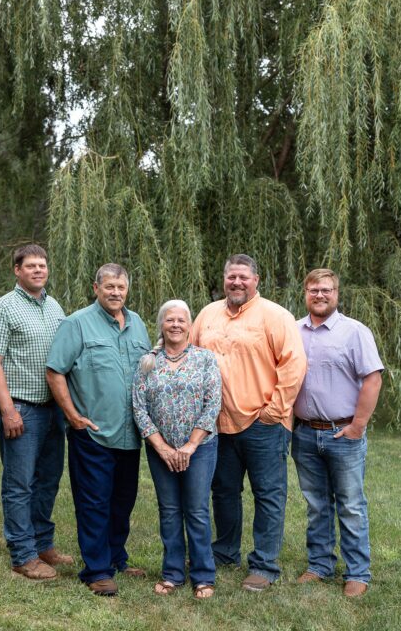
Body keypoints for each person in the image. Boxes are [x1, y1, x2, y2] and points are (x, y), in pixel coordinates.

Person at [190, 254, 307, 591]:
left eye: (243, 277)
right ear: (223, 279)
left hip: (263, 422)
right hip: (217, 423)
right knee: (224, 491)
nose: (237, 283)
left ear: (256, 280)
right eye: (231, 277)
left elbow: (294, 364)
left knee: (268, 493)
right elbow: (189, 353)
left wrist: (274, 410)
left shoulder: (275, 316)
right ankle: (225, 551)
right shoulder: (208, 315)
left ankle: (264, 564)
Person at [45, 263, 151, 596]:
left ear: (127, 289)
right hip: (92, 432)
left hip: (130, 434)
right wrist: (73, 416)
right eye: (109, 287)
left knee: (123, 501)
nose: (115, 292)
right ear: (96, 288)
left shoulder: (137, 326)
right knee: (94, 502)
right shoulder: (76, 324)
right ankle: (97, 570)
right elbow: (55, 371)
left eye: (121, 287)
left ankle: (116, 557)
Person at [0, 244, 73, 580]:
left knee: (47, 481)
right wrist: (8, 411)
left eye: (42, 265)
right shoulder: (2, 308)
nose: (38, 270)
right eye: (30, 265)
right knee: (20, 484)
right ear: (17, 270)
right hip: (22, 409)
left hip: (53, 411)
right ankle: (22, 554)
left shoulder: (54, 306)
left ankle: (42, 545)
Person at [291, 268, 384, 597]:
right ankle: (319, 565)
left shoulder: (354, 332)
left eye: (326, 290)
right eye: (314, 289)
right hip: (303, 434)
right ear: (305, 293)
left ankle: (358, 571)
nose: (320, 295)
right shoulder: (293, 331)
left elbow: (373, 378)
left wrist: (358, 426)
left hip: (342, 433)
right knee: (316, 503)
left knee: (351, 504)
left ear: (336, 294)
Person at [132, 299, 221, 599]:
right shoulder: (147, 362)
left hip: (200, 449)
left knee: (196, 510)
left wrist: (189, 446)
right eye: (169, 320)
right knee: (169, 511)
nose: (175, 325)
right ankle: (172, 573)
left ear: (190, 325)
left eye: (181, 320)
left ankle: (203, 575)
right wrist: (162, 447)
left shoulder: (205, 360)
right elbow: (139, 407)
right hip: (161, 451)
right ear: (161, 324)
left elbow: (212, 405)